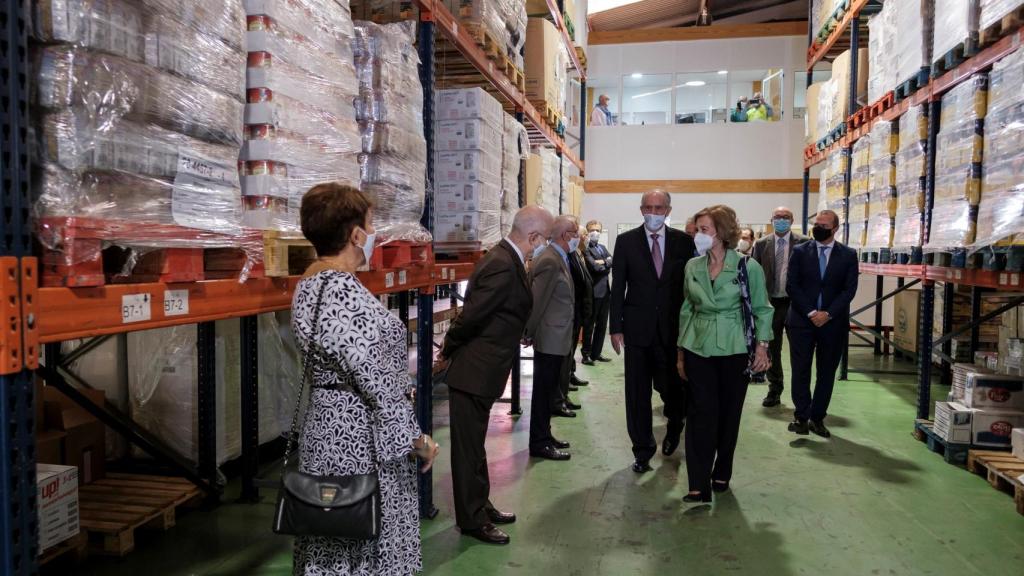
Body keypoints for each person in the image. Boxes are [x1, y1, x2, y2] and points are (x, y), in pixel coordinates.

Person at [291, 183, 439, 573]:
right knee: (365, 537)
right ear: (355, 234)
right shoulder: (342, 293)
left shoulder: (310, 286)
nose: (373, 234)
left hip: (326, 429)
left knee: (331, 533)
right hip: (361, 441)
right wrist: (418, 440)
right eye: (371, 225)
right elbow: (381, 388)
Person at [437, 205, 554, 546]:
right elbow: (472, 317)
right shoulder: (503, 264)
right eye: (543, 239)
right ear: (532, 236)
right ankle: (471, 520)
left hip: (484, 370)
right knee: (467, 449)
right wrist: (447, 348)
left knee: (476, 447)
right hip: (473, 371)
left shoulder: (508, 260)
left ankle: (480, 504)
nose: (542, 245)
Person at [676, 205, 772, 503]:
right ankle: (697, 483)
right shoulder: (692, 266)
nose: (698, 236)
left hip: (734, 347)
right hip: (698, 345)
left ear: (722, 232)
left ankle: (722, 471)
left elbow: (762, 308)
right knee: (700, 412)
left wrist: (762, 347)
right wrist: (680, 352)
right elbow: (687, 309)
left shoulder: (747, 267)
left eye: (704, 230)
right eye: (697, 230)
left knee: (729, 414)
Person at [610, 190, 697, 473]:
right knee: (637, 393)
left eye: (659, 207)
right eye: (648, 207)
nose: (653, 212)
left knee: (673, 387)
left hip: (673, 331)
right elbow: (618, 286)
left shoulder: (684, 243)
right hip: (637, 330)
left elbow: (689, 287)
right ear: (641, 209)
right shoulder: (626, 242)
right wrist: (615, 327)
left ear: (668, 209)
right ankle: (642, 449)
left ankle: (675, 425)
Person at [786, 209, 859, 438]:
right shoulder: (800, 251)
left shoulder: (848, 255)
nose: (818, 228)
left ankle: (817, 417)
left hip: (832, 323)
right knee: (800, 370)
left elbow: (849, 290)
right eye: (816, 223)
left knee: (826, 372)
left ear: (835, 228)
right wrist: (811, 312)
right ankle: (801, 416)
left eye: (824, 225)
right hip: (801, 321)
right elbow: (792, 285)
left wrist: (827, 313)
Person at [526, 216, 579, 461]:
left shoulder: (559, 257)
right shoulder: (549, 260)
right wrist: (528, 331)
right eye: (575, 232)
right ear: (565, 234)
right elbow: (537, 302)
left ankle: (545, 435)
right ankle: (539, 442)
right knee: (543, 392)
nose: (578, 237)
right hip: (549, 338)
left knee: (549, 391)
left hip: (558, 338)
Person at [751, 206, 808, 407]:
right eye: (777, 217)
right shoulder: (761, 244)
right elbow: (754, 273)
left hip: (795, 303)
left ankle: (800, 396)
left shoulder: (804, 243)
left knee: (799, 348)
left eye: (785, 217)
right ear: (771, 219)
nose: (781, 220)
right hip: (770, 303)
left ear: (792, 220)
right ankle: (775, 389)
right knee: (771, 347)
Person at [567, 224, 594, 396]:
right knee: (568, 347)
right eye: (582, 234)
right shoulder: (570, 255)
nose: (585, 238)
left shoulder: (579, 254)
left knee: (572, 346)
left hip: (579, 310)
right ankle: (566, 377)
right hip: (572, 310)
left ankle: (571, 373)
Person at [583, 220, 613, 365]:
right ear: (588, 231)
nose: (596, 232)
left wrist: (604, 262)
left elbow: (613, 260)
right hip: (593, 292)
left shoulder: (602, 247)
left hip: (606, 291)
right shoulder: (586, 249)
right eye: (593, 229)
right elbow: (595, 268)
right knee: (590, 325)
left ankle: (596, 353)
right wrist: (605, 262)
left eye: (598, 230)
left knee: (602, 325)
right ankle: (586, 354)